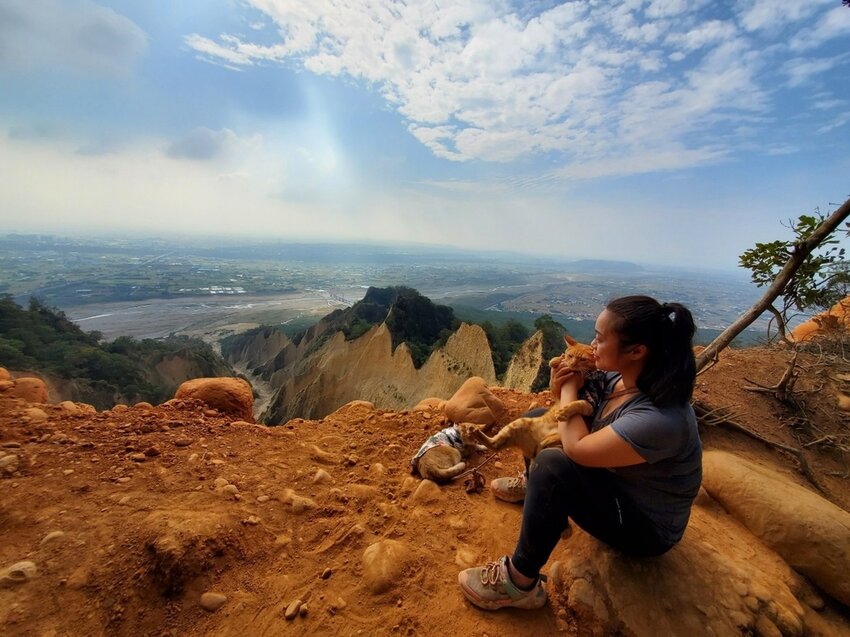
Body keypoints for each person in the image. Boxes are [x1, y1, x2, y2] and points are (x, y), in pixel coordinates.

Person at [458, 295, 702, 610]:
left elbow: (578, 449)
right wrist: (561, 386)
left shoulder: (661, 419)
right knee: (535, 421)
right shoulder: (622, 377)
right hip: (618, 485)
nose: (592, 345)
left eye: (600, 339)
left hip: (645, 528)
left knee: (552, 464)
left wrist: (570, 390)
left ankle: (519, 582)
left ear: (637, 351)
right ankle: (536, 487)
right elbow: (568, 410)